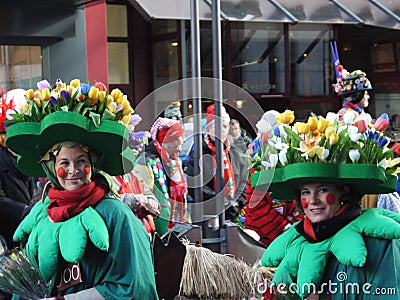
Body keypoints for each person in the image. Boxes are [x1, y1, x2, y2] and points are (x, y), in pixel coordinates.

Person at [6, 79, 158, 299]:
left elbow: (135, 287)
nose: (73, 170)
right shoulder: (42, 214)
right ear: (51, 168)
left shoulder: (117, 215)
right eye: (64, 163)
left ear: (93, 164)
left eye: (81, 161)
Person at [254, 110, 400, 299]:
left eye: (322, 190)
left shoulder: (380, 241)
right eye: (306, 192)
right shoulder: (295, 242)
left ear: (344, 191)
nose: (313, 200)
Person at [245, 110, 302, 246]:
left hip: (291, 236)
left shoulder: (290, 163)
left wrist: (294, 226)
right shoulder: (257, 166)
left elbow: (300, 200)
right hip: (262, 237)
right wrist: (283, 227)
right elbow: (255, 205)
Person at [134, 117, 188, 236]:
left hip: (175, 231)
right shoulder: (146, 163)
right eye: (180, 136)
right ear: (168, 140)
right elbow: (142, 200)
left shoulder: (173, 162)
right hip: (157, 235)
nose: (184, 140)